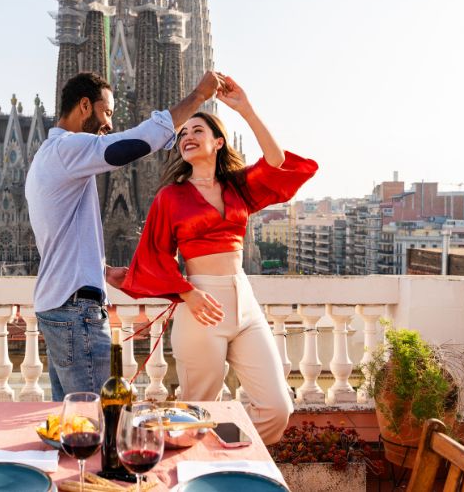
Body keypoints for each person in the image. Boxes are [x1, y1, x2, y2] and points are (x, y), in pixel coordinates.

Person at [114, 76, 317, 444]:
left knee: (277, 409)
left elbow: (277, 162)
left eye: (197, 129)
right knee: (195, 412)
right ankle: (199, 472)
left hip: (245, 304)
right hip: (201, 307)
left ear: (218, 142)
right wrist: (188, 293)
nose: (186, 135)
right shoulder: (170, 198)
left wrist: (246, 108)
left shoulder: (238, 187)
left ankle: (225, 452)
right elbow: (155, 254)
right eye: (182, 133)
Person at [26, 70, 226, 402]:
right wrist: (198, 96)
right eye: (107, 114)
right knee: (101, 417)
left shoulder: (48, 158)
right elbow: (134, 144)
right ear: (85, 106)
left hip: (57, 305)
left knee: (73, 420)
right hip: (76, 313)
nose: (109, 125)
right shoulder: (67, 149)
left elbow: (58, 237)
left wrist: (100, 271)